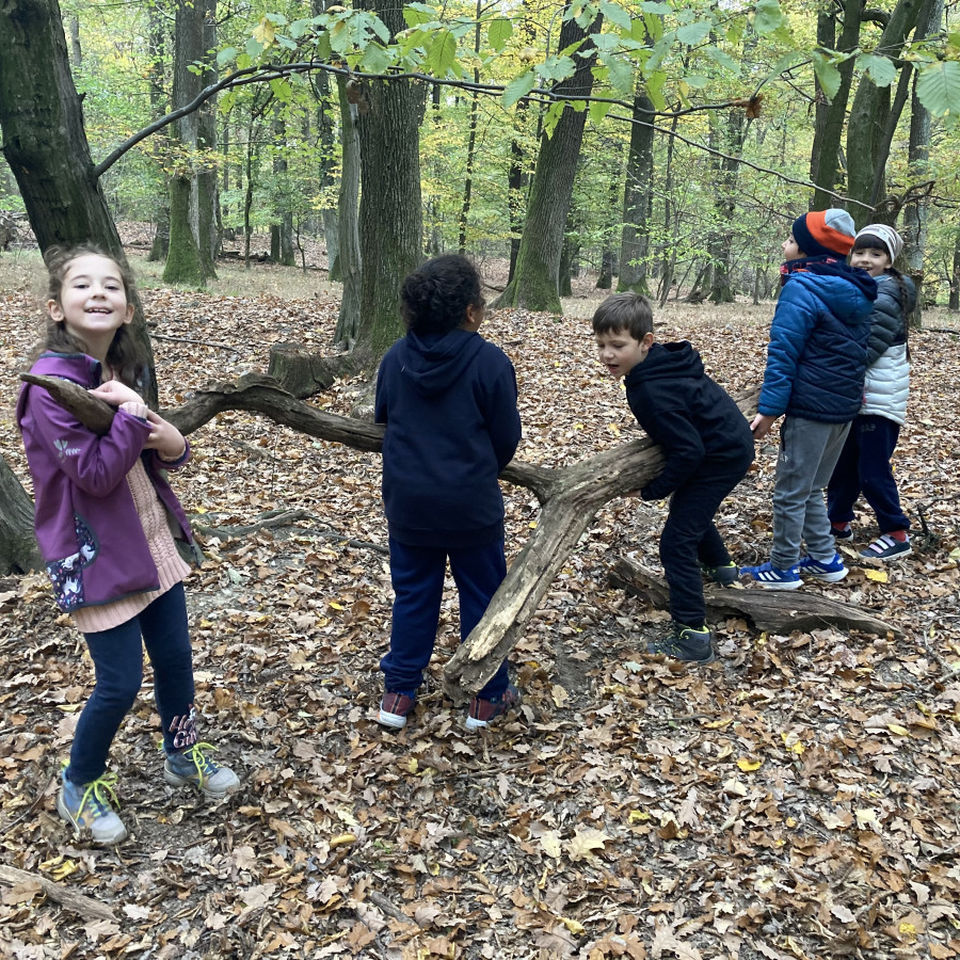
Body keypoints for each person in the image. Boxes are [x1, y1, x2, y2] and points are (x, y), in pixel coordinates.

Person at [17, 245, 239, 845]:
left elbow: (162, 451)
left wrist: (167, 437)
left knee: (174, 661)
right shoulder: (49, 388)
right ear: (56, 308)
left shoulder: (115, 373)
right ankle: (79, 781)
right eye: (81, 285)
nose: (97, 294)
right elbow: (93, 474)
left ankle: (182, 750)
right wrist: (136, 420)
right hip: (92, 555)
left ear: (128, 310)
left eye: (111, 286)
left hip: (149, 539)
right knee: (118, 681)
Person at [374, 254, 522, 731]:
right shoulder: (491, 362)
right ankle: (487, 696)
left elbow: (385, 419)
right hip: (470, 507)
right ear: (472, 312)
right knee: (482, 595)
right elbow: (506, 437)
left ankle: (398, 694)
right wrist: (479, 470)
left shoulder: (395, 358)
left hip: (410, 504)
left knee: (413, 595)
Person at [593, 292, 754, 664]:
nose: (607, 355)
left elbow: (689, 452)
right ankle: (722, 569)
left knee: (676, 542)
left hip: (721, 456)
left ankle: (692, 636)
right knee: (690, 513)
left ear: (646, 341)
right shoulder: (658, 366)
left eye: (618, 345)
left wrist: (652, 490)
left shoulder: (651, 390)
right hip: (726, 444)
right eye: (601, 345)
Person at [741, 209, 877, 590]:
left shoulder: (802, 286)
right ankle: (824, 557)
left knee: (790, 490)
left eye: (789, 238)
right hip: (844, 408)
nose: (784, 244)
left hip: (811, 409)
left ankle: (783, 567)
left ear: (806, 248)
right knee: (813, 486)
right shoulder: (856, 289)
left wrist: (769, 410)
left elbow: (784, 352)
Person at [827, 224, 915, 560]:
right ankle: (837, 523)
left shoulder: (885, 294)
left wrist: (828, 362)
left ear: (889, 261)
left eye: (875, 254)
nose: (865, 259)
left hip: (879, 399)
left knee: (872, 468)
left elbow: (865, 350)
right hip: (860, 397)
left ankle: (896, 532)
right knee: (844, 462)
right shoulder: (861, 288)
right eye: (860, 252)